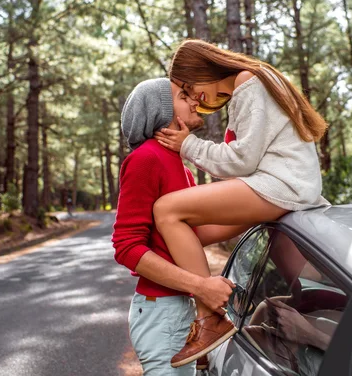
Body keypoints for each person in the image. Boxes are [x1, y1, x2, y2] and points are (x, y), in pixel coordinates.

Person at [152, 39, 330, 368]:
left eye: (190, 88)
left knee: (166, 209)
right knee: (194, 232)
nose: (195, 99)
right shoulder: (250, 85)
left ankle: (208, 322)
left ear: (202, 68)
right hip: (277, 186)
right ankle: (200, 322)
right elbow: (246, 158)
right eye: (186, 95)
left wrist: (188, 145)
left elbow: (242, 160)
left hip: (280, 185)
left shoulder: (249, 81)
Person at [112, 78, 250, 375]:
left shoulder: (179, 164)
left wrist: (260, 212)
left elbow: (196, 234)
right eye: (182, 96)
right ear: (163, 112)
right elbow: (126, 247)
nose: (194, 100)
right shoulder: (145, 159)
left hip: (179, 308)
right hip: (161, 312)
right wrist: (201, 286)